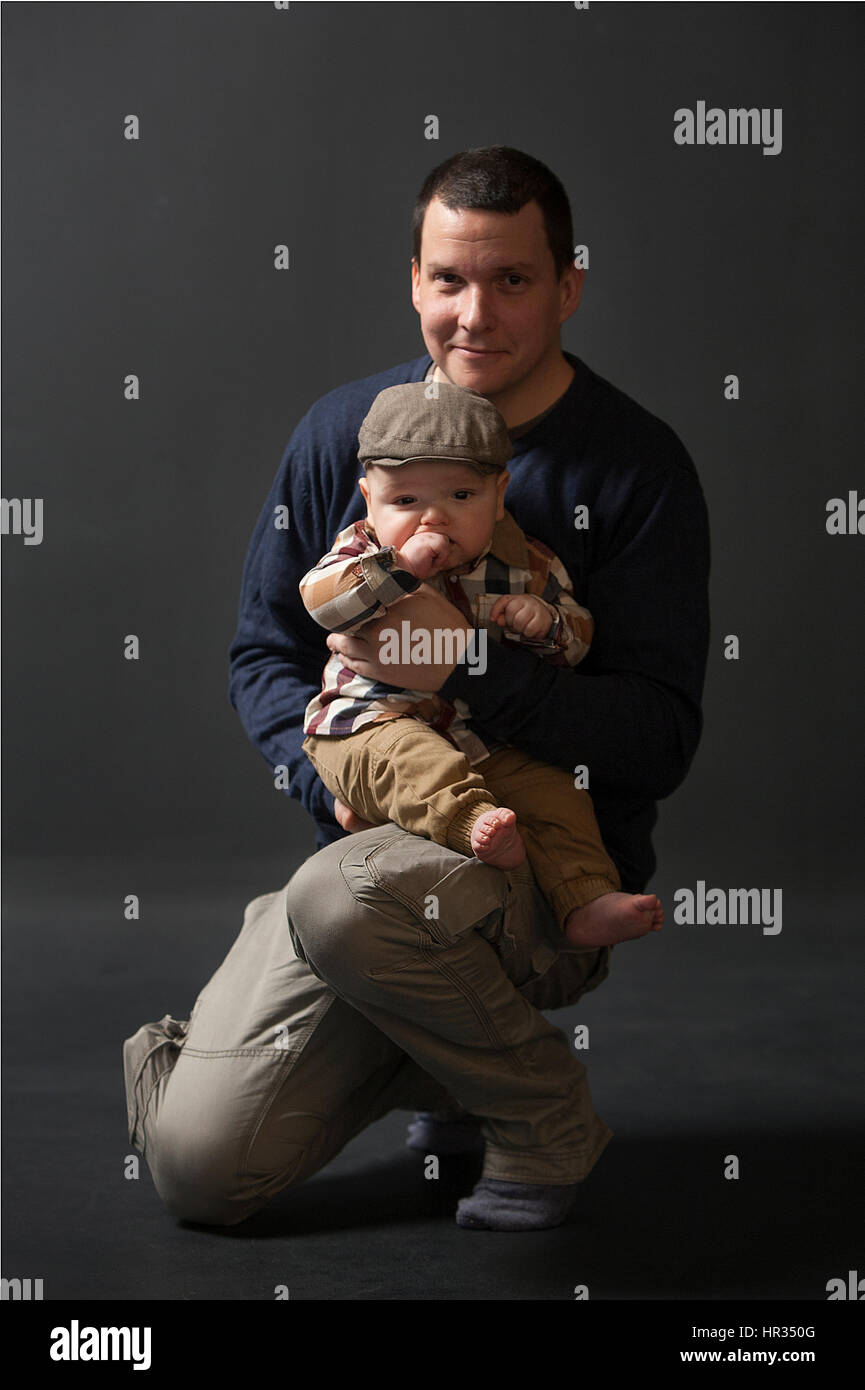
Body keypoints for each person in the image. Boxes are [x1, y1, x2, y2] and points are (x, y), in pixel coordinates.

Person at [122, 146, 710, 1233]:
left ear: (568, 284)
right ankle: (426, 1040)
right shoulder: (340, 434)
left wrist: (467, 665)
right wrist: (328, 786)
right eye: (448, 279)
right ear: (413, 281)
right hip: (364, 846)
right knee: (199, 1172)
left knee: (345, 902)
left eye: (512, 280)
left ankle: (533, 1104)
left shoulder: (637, 468)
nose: (473, 313)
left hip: (540, 867)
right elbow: (265, 655)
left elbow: (658, 737)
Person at [300, 379, 665, 947]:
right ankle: (473, 824)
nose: (433, 520)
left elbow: (581, 641)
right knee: (413, 761)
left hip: (482, 742)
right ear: (368, 499)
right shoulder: (362, 553)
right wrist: (400, 568)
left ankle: (585, 897)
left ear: (500, 495)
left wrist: (546, 625)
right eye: (406, 502)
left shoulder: (527, 565)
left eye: (461, 498)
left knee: (555, 791)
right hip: (367, 729)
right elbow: (320, 600)